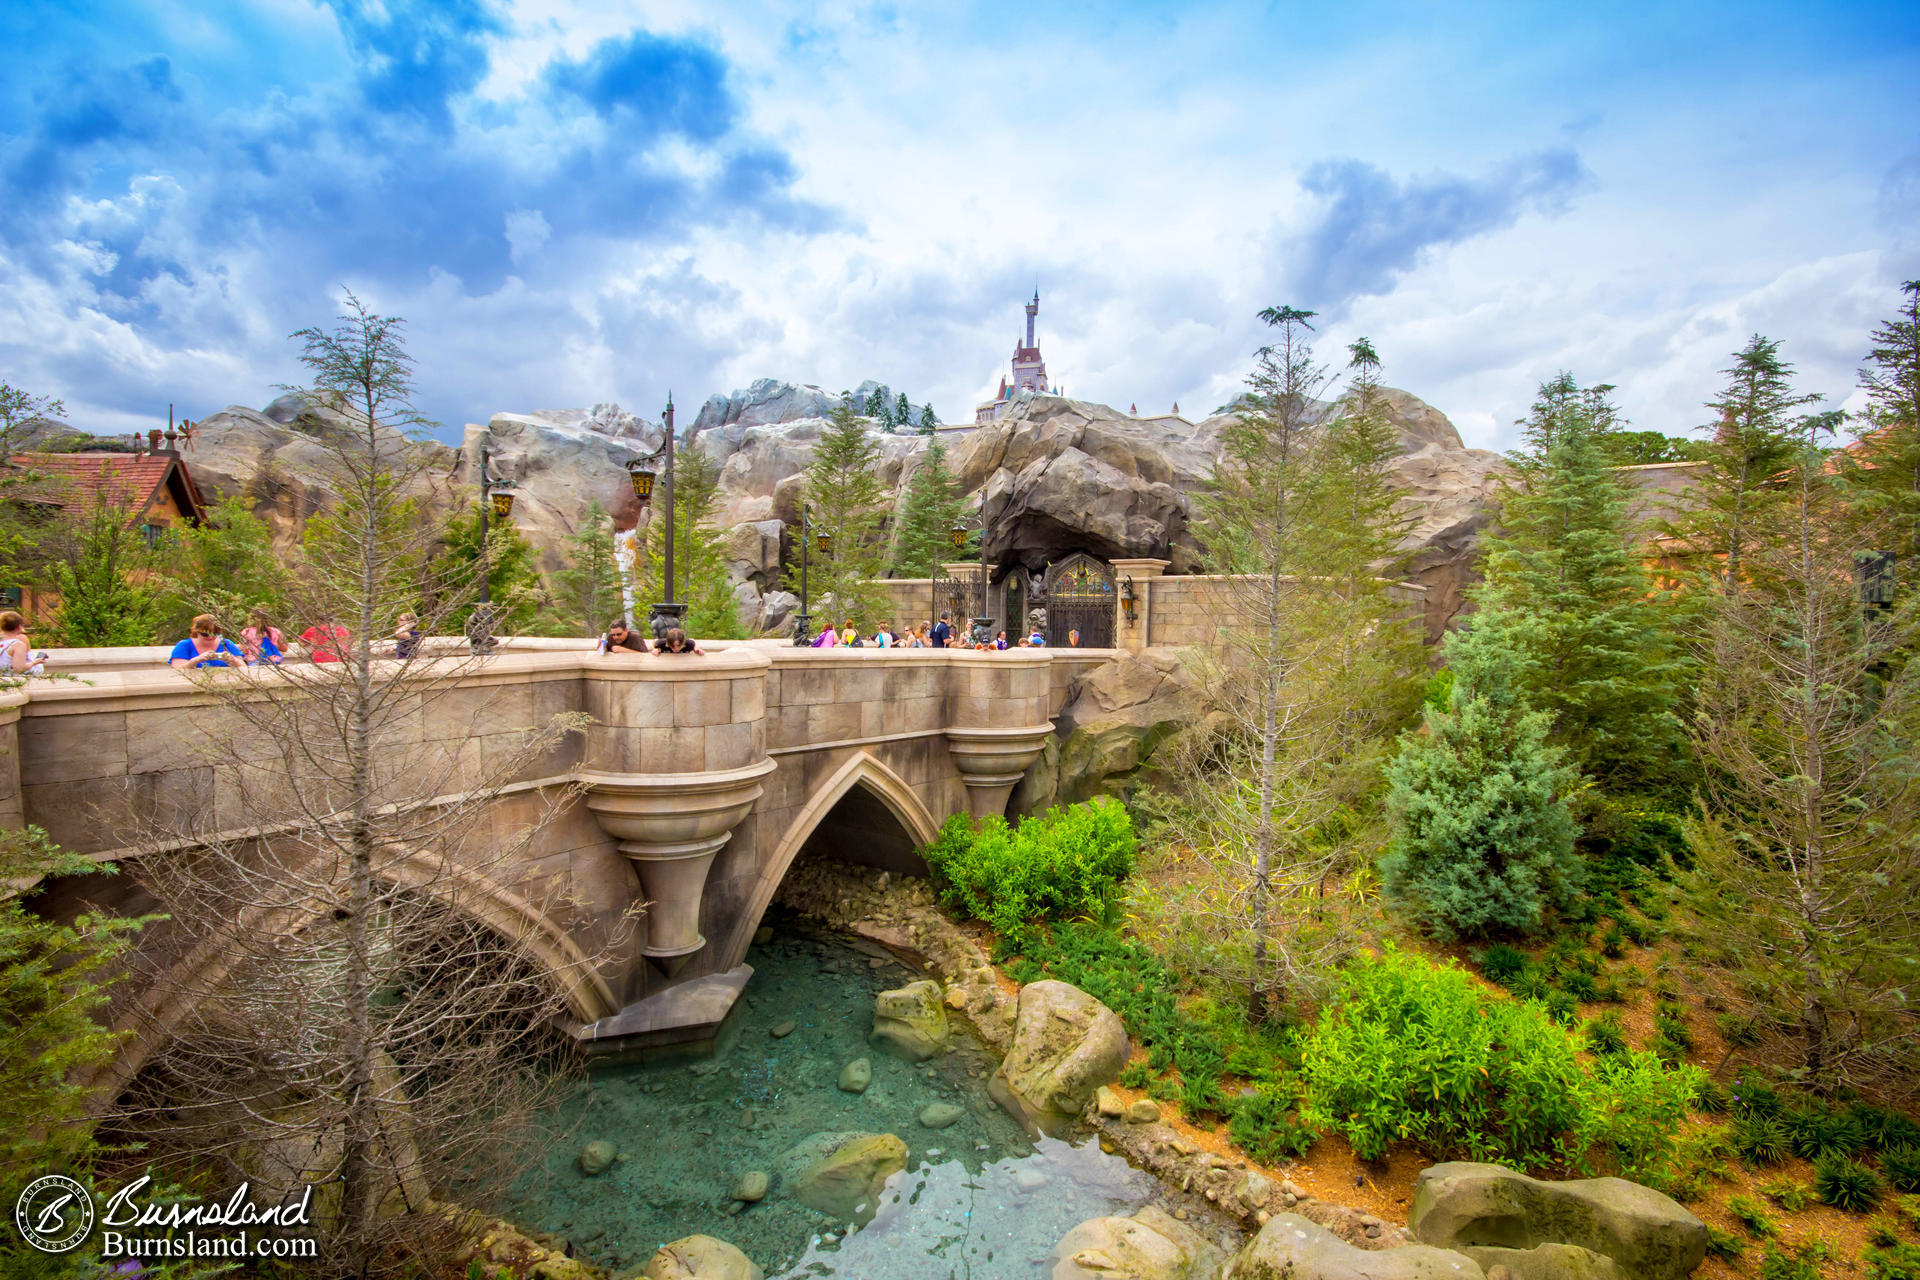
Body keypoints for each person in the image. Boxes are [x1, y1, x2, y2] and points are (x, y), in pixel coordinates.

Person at [169, 615, 245, 669]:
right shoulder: (184, 645)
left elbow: (243, 667)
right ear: (196, 632)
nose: (210, 637)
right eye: (205, 634)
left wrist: (232, 659)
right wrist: (195, 661)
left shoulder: (226, 644)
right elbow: (177, 669)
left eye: (214, 634)